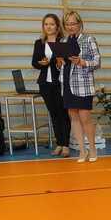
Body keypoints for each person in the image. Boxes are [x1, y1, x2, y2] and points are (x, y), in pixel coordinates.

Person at [58, 10, 101, 162]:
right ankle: (82, 151)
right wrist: (59, 63)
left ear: (79, 24)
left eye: (73, 23)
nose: (70, 27)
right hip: (67, 84)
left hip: (83, 85)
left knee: (85, 118)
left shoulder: (88, 39)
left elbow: (97, 62)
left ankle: (93, 149)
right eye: (67, 24)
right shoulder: (63, 41)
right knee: (74, 118)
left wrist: (82, 62)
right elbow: (62, 65)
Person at [32, 13, 70, 156]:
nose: (48, 27)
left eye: (52, 24)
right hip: (45, 84)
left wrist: (52, 62)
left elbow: (67, 62)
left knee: (63, 113)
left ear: (57, 26)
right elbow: (34, 63)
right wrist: (42, 64)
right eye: (46, 24)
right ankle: (59, 143)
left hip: (60, 83)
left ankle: (66, 145)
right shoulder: (39, 43)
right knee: (54, 114)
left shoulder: (63, 42)